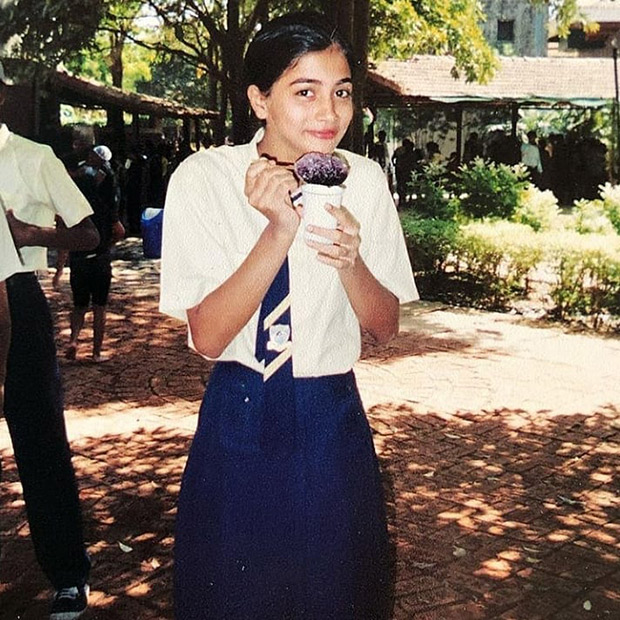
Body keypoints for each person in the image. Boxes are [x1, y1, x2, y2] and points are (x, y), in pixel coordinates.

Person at [160, 12, 418, 619]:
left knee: (337, 592)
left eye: (342, 91)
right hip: (239, 410)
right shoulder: (204, 179)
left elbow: (384, 328)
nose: (328, 113)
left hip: (331, 412)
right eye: (305, 92)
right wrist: (278, 230)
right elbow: (208, 335)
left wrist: (352, 262)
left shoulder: (366, 182)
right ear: (259, 99)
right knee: (234, 591)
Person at [1, 61, 98, 620]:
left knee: (38, 440)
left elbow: (87, 232)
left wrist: (30, 234)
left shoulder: (33, 157)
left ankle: (67, 573)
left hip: (21, 294)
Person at [55, 145, 125, 362]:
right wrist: (107, 246)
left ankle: (74, 340)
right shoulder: (105, 208)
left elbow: (64, 242)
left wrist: (59, 270)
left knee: (79, 305)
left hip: (79, 260)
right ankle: (96, 353)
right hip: (101, 258)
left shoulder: (74, 212)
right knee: (100, 307)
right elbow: (120, 231)